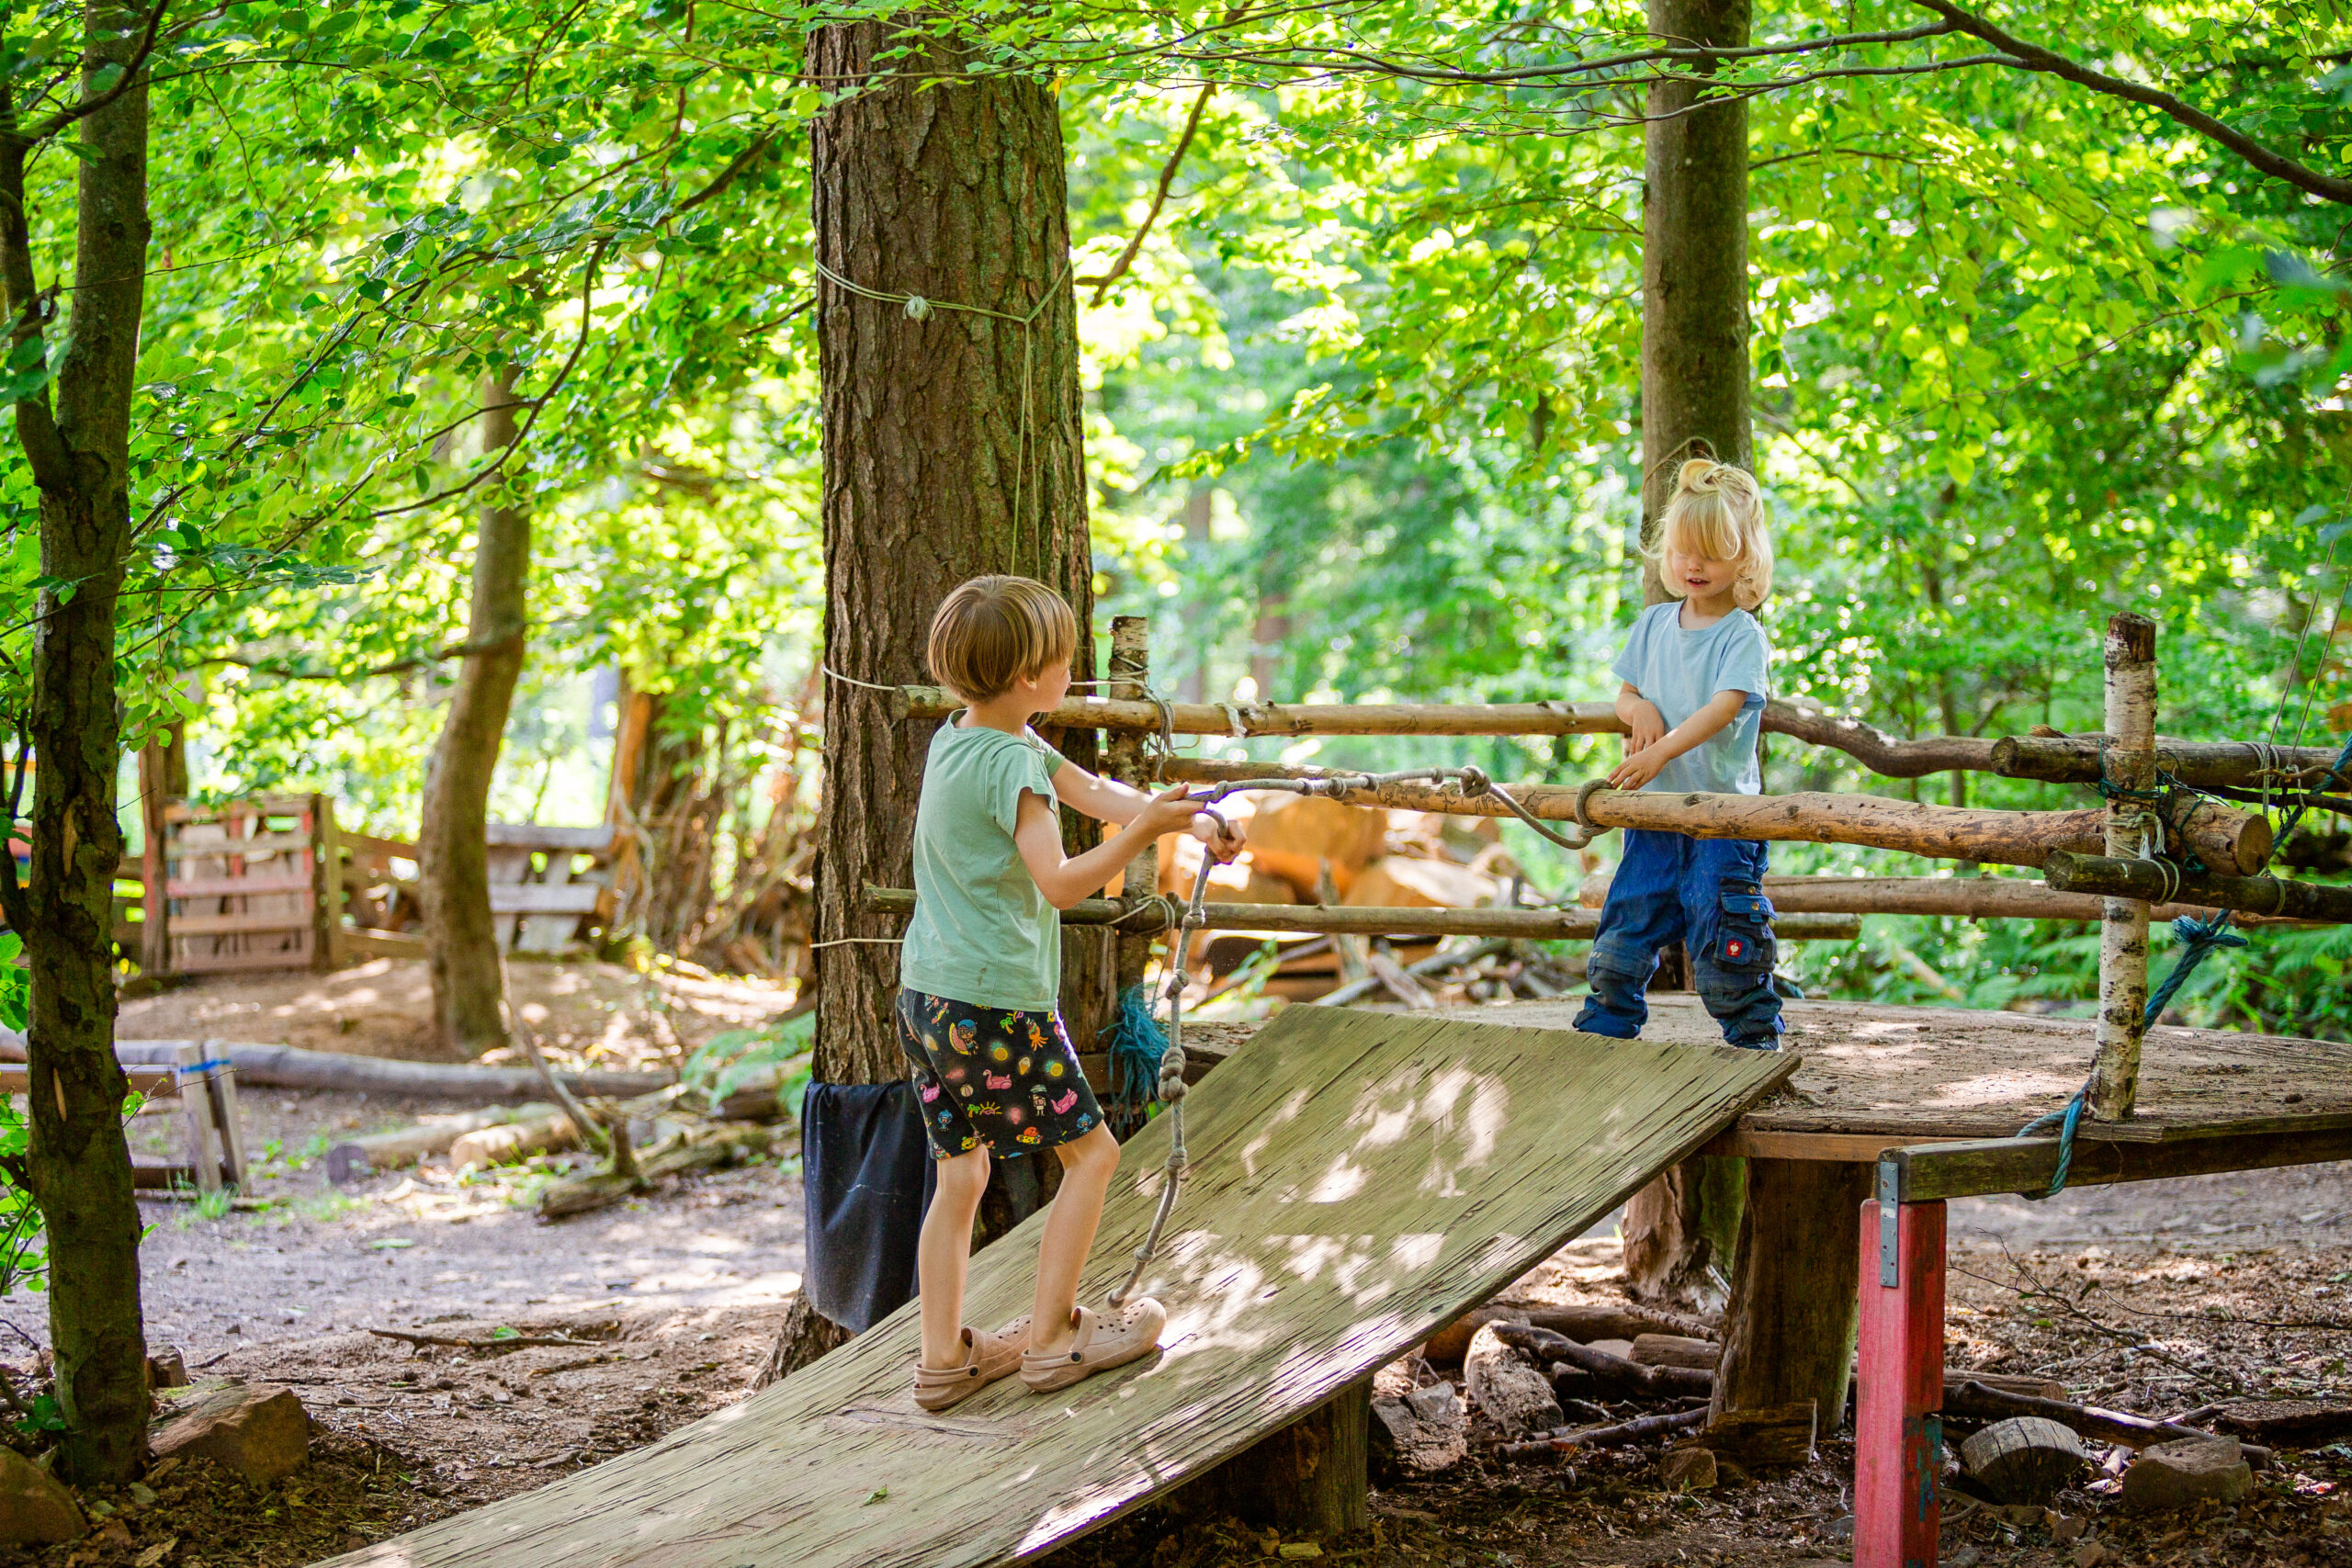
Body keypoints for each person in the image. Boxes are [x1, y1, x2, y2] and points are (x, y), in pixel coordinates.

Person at [902, 574, 1245, 1411]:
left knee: (961, 1176)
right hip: (994, 1005)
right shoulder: (1014, 760)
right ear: (1029, 674)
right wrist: (1144, 833)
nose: (1072, 670)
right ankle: (1053, 1338)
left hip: (927, 998)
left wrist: (1188, 817)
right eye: (1064, 659)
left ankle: (943, 1358)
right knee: (1092, 1155)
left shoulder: (966, 736)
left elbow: (1093, 792)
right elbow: (1059, 883)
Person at [1572, 458, 1782, 1050]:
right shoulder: (1652, 624)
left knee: (1723, 928)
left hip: (1723, 818)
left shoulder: (1742, 634)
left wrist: (1659, 750)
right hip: (1655, 815)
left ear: (1743, 559)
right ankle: (1604, 1035)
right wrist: (1637, 710)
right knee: (1628, 919)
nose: (1694, 565)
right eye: (1684, 550)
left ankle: (1752, 1039)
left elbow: (1724, 707)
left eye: (1712, 553)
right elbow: (1626, 693)